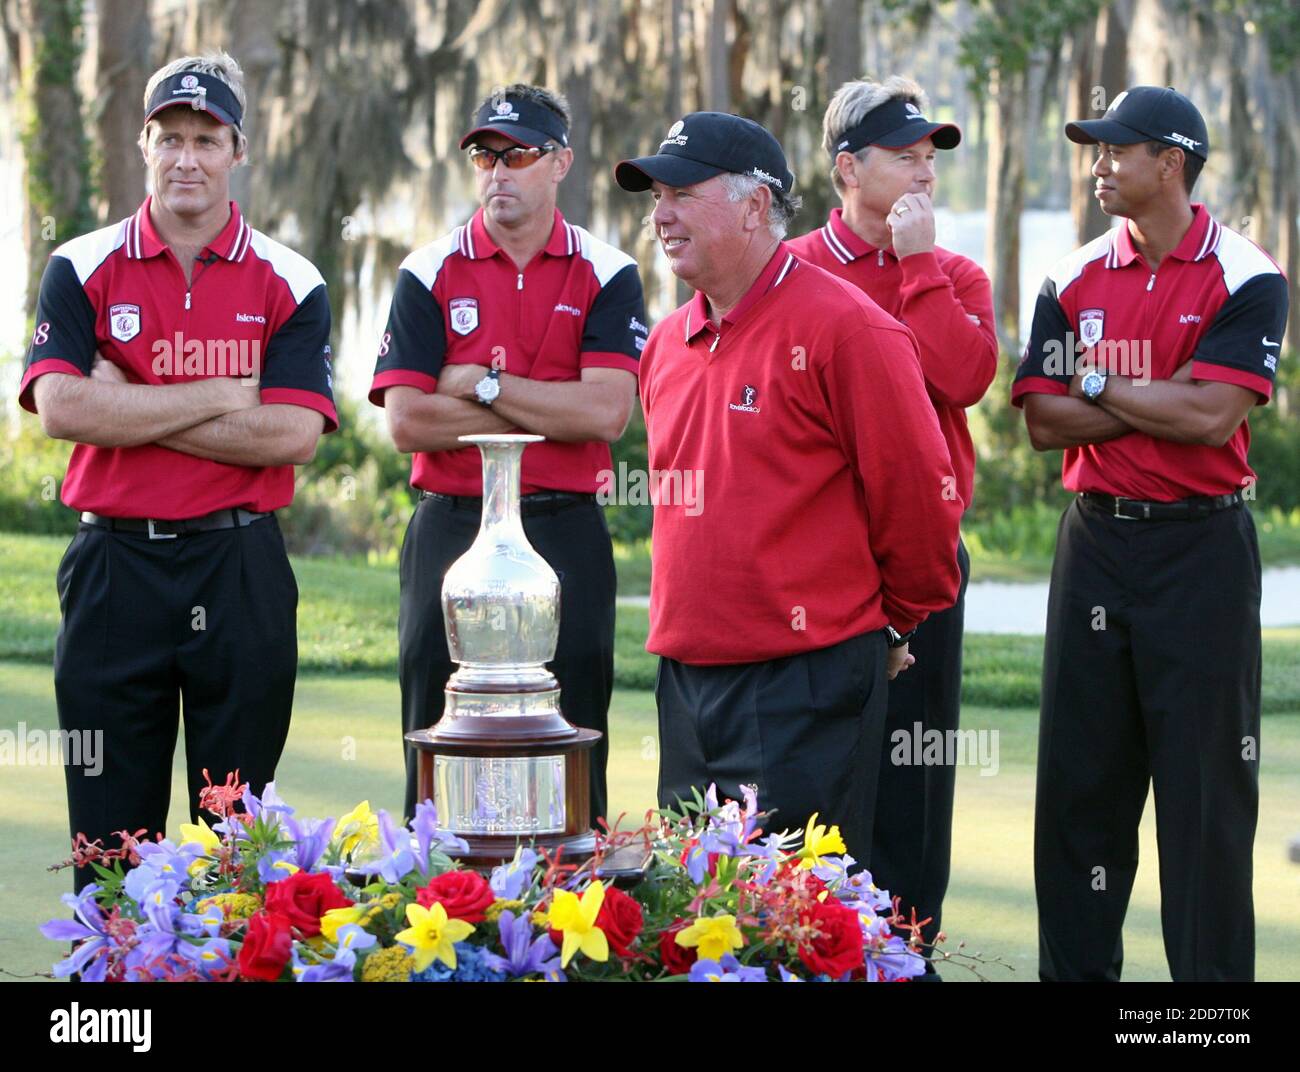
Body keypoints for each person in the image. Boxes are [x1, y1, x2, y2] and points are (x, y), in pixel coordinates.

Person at [19, 52, 337, 892]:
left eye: (207, 138)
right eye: (170, 138)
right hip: (113, 570)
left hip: (240, 570)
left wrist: (135, 401)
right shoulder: (80, 265)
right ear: (143, 145)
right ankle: (113, 1006)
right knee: (110, 840)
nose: (186, 157)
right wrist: (222, 397)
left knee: (235, 841)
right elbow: (61, 410)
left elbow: (295, 434)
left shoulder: (292, 279)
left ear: (238, 150)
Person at [613, 112, 962, 864]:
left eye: (681, 192)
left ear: (753, 206)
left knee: (801, 929)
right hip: (685, 680)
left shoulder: (849, 330)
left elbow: (923, 507)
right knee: (695, 919)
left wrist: (891, 629)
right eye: (655, 196)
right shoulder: (668, 343)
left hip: (806, 683)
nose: (661, 214)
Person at [1013, 86, 1287, 981]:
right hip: (1093, 545)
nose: (1098, 166)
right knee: (1079, 799)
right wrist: (1150, 393)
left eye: (1114, 151)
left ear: (1170, 163)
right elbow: (1044, 422)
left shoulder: (1249, 276)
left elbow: (1212, 417)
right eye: (1094, 150)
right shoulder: (1070, 276)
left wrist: (1096, 383)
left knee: (1204, 805)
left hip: (1202, 554)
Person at [370, 84, 647, 824]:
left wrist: (485, 384)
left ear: (560, 163)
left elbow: (604, 411)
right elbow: (407, 421)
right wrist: (540, 405)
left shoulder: (607, 271)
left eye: (517, 155)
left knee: (576, 721)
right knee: (435, 720)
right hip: (451, 524)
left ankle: (580, 905)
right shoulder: (428, 271)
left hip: (565, 527)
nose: (498, 172)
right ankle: (430, 903)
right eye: (485, 156)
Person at [788, 75, 996, 972]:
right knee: (819, 763)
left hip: (920, 556)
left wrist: (916, 268)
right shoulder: (788, 267)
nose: (923, 171)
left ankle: (908, 955)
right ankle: (810, 942)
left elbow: (963, 380)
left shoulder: (953, 273)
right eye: (904, 156)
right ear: (847, 168)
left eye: (931, 157)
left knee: (916, 770)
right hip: (815, 559)